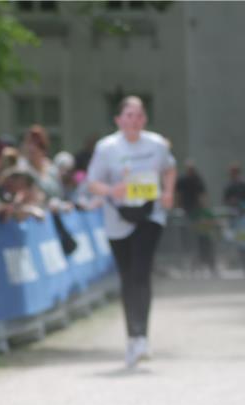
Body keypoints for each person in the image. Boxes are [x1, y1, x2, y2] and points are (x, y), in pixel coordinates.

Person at [85, 96, 176, 368]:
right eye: (128, 115)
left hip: (150, 214)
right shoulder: (107, 147)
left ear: (144, 119)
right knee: (127, 277)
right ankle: (132, 338)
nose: (134, 120)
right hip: (118, 217)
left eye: (138, 115)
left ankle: (142, 337)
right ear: (118, 120)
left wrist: (169, 192)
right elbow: (92, 183)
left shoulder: (157, 144)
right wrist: (112, 190)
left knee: (141, 271)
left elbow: (170, 169)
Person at [176, 159, 214, 276]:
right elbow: (178, 194)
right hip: (187, 213)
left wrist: (204, 211)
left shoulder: (197, 180)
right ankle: (191, 266)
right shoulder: (182, 180)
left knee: (200, 240)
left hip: (197, 214)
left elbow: (202, 196)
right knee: (189, 242)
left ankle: (204, 265)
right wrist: (178, 206)